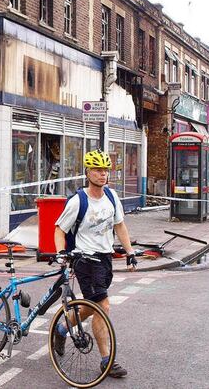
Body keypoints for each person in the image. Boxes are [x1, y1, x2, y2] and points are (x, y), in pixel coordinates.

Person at [52, 149, 137, 379]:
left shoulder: (111, 197)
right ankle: (107, 360)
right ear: (88, 172)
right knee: (103, 305)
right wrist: (62, 253)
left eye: (106, 170)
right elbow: (59, 229)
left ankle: (61, 329)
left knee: (90, 306)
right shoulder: (78, 201)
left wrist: (130, 252)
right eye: (98, 170)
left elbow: (119, 225)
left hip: (104, 259)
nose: (103, 174)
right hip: (84, 259)